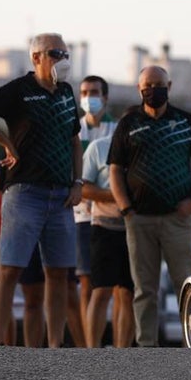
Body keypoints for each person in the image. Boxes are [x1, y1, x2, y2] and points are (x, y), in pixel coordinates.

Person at [0, 33, 82, 348]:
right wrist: (5, 142)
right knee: (9, 270)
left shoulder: (66, 92)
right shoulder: (20, 89)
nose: (63, 59)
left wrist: (78, 182)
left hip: (60, 195)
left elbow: (74, 140)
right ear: (37, 57)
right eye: (56, 53)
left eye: (65, 53)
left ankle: (56, 344)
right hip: (25, 193)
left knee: (58, 274)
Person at [108, 66, 191, 346]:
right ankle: (147, 348)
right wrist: (126, 209)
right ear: (139, 89)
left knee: (187, 283)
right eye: (148, 85)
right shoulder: (129, 123)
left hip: (177, 220)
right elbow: (115, 170)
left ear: (169, 85)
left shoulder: (184, 121)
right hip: (139, 219)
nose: (153, 90)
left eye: (159, 84)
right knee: (145, 289)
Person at [82, 126, 136, 348]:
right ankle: (92, 352)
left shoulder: (142, 149)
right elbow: (84, 188)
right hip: (104, 227)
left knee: (128, 294)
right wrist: (118, 196)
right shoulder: (98, 147)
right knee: (101, 290)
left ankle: (123, 354)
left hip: (134, 230)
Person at [71, 75, 114, 346]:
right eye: (85, 92)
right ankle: (88, 346)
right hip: (80, 215)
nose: (89, 97)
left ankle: (118, 343)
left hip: (110, 216)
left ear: (105, 97)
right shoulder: (73, 130)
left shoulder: (117, 129)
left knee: (113, 286)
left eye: (95, 92)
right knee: (86, 282)